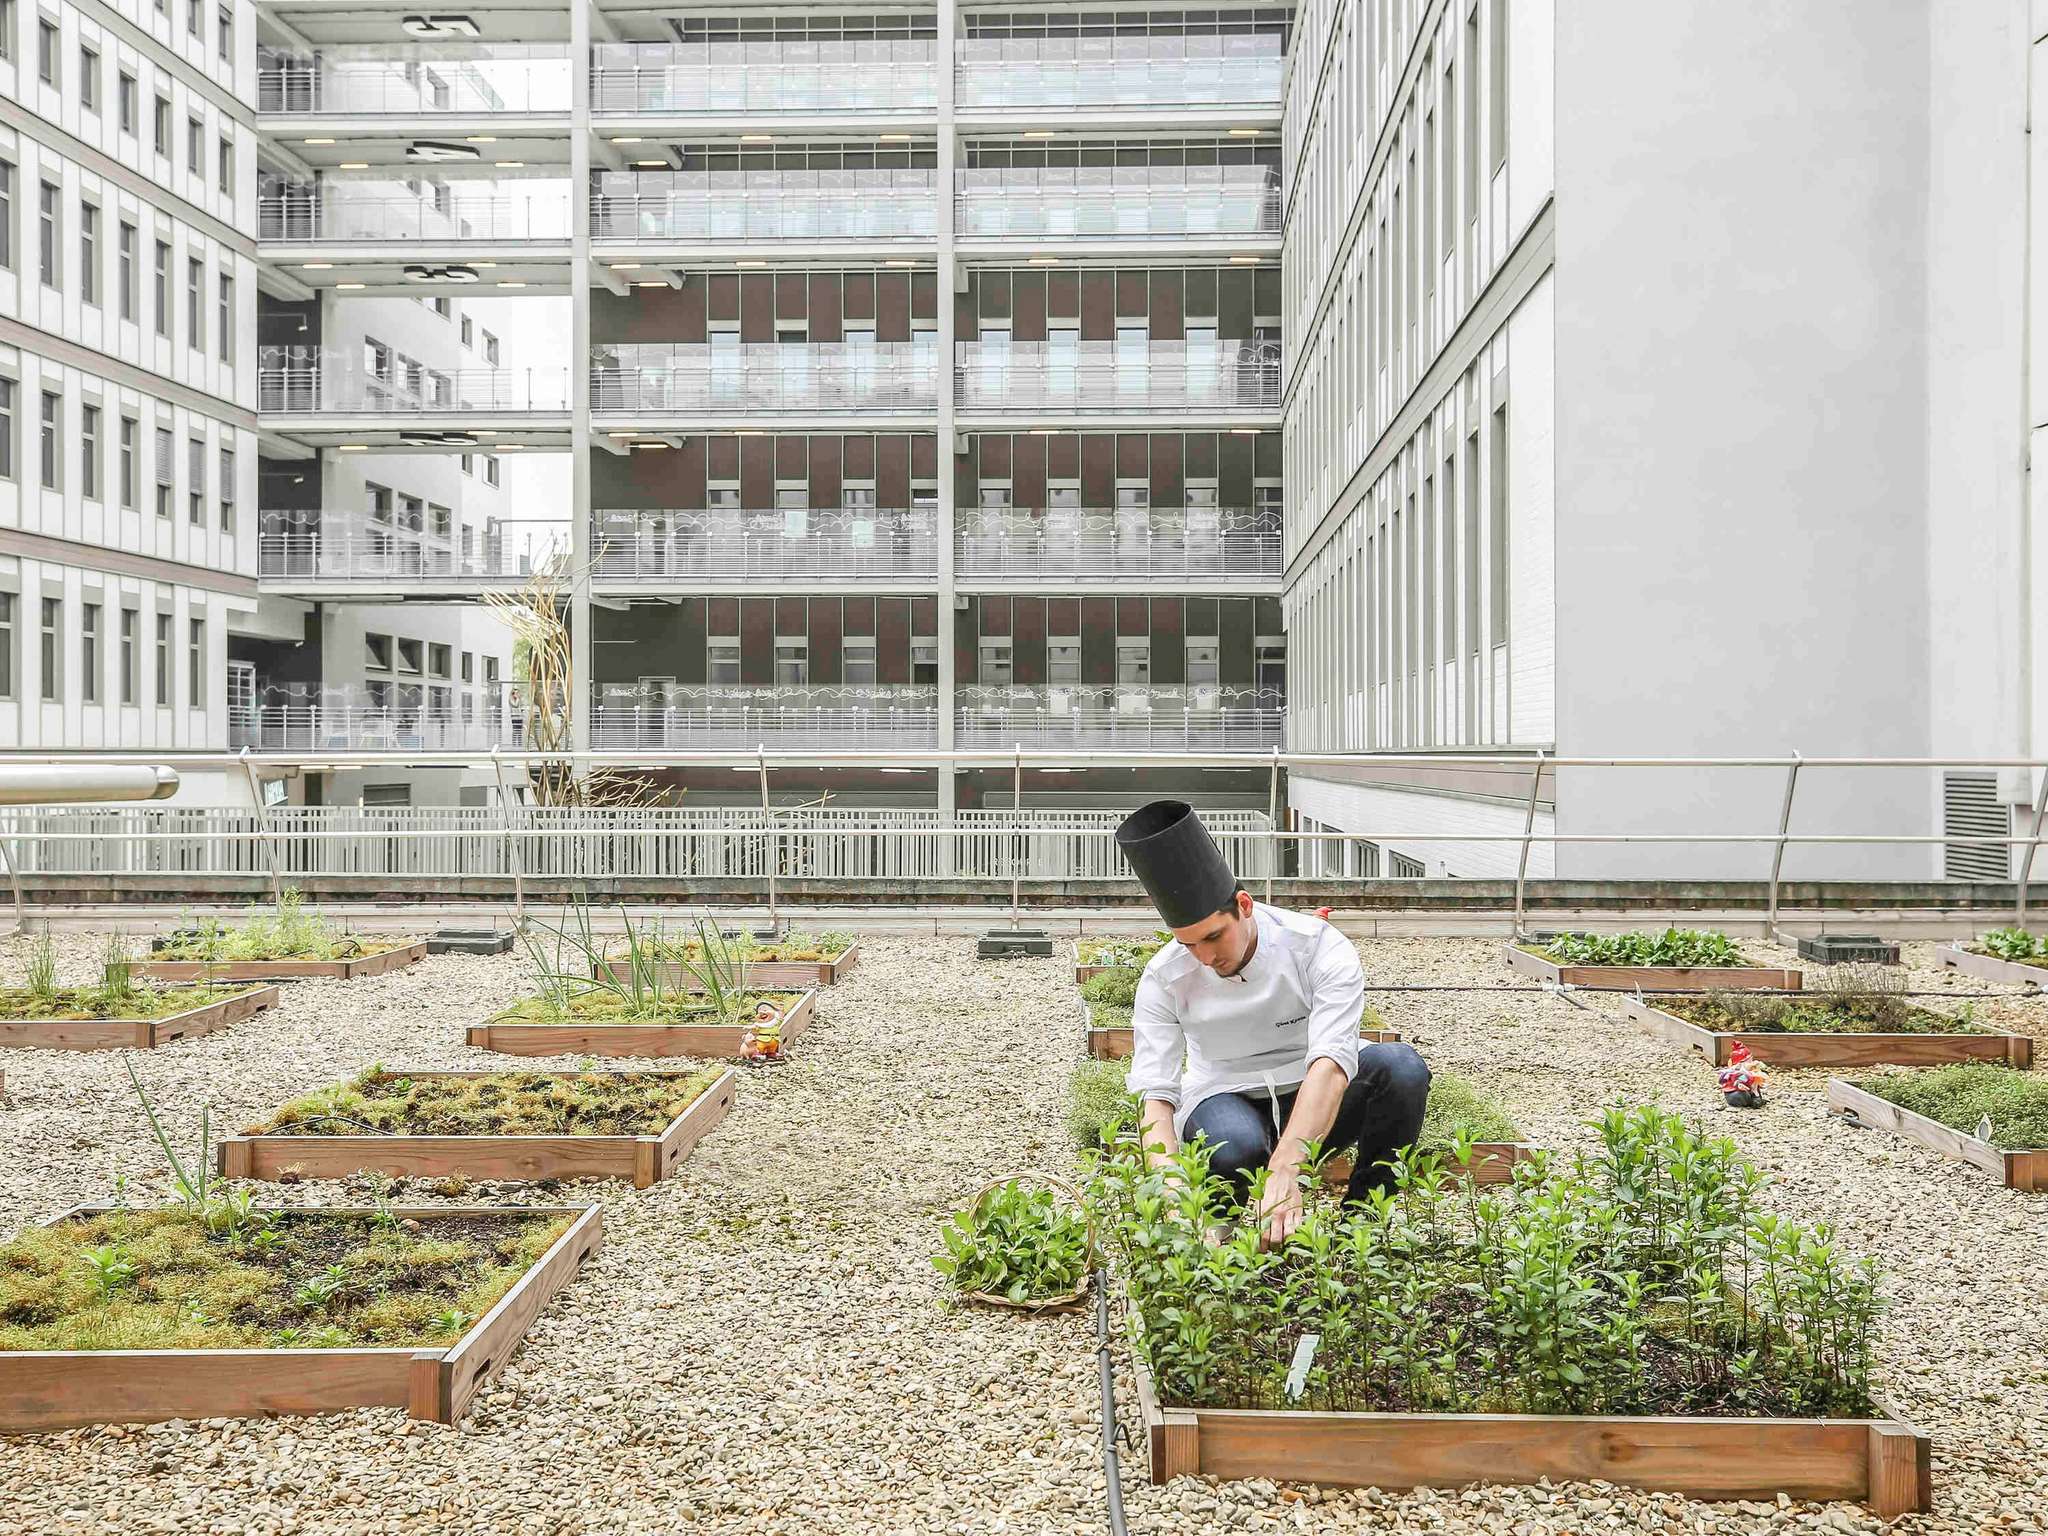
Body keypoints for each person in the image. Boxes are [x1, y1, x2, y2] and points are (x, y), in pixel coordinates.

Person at [1114, 798, 1432, 1247]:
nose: (1206, 957)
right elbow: (1155, 1095)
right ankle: (1216, 1241)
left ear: (1244, 905)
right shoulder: (1164, 978)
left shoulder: (1316, 946)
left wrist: (1287, 1169)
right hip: (1224, 1095)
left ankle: (1362, 1225)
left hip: (1314, 1089)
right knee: (1233, 1146)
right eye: (1188, 945)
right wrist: (1170, 1191)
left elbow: (1332, 1062)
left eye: (1212, 936)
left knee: (1401, 1067)